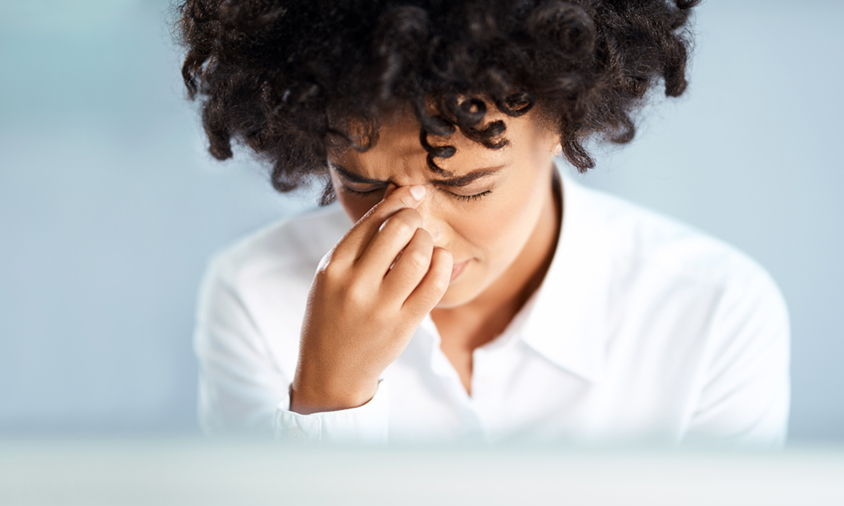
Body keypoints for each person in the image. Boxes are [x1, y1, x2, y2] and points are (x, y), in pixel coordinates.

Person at [178, 0, 790, 445]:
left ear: (559, 121)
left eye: (465, 185)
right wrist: (329, 397)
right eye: (361, 185)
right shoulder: (255, 296)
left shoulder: (714, 315)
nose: (416, 234)